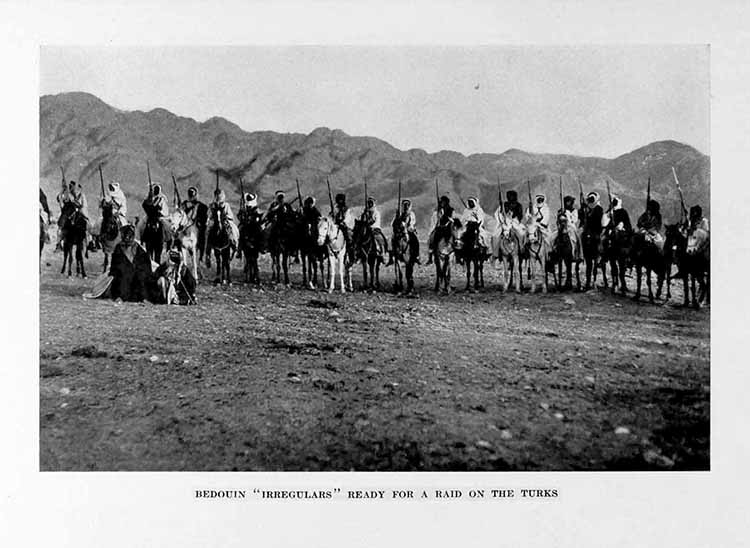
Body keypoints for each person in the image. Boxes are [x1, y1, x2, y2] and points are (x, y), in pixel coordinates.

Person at [108, 224, 153, 302]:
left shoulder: (138, 248)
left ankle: (144, 298)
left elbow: (145, 263)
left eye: (130, 236)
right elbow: (115, 264)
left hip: (136, 271)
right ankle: (120, 297)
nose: (127, 238)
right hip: (123, 272)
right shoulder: (119, 247)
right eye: (126, 235)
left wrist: (138, 269)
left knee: (141, 278)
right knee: (122, 277)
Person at [207, 188, 239, 254]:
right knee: (207, 230)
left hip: (224, 220)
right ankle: (207, 247)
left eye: (219, 196)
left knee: (232, 228)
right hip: (214, 220)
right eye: (217, 196)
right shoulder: (211, 205)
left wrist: (226, 218)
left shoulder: (226, 205)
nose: (218, 197)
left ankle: (234, 242)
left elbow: (230, 215)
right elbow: (208, 214)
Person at [181, 186, 209, 261]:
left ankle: (202, 254)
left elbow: (204, 216)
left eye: (193, 194)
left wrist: (199, 221)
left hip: (197, 223)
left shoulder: (202, 206)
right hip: (186, 224)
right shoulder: (185, 204)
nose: (191, 196)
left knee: (203, 234)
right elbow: (181, 213)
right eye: (190, 194)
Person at [391, 198, 420, 264]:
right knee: (393, 238)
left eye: (407, 205)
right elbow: (393, 223)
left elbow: (413, 222)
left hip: (408, 230)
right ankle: (392, 255)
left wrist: (409, 227)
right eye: (404, 205)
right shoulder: (399, 213)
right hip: (399, 231)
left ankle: (416, 255)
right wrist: (397, 217)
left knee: (415, 240)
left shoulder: (411, 213)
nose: (406, 206)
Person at [428, 195, 456, 262]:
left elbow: (453, 219)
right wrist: (439, 213)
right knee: (433, 237)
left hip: (448, 228)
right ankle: (431, 254)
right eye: (441, 202)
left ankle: (457, 254)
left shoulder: (451, 210)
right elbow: (437, 219)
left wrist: (447, 217)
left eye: (443, 202)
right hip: (440, 228)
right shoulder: (438, 210)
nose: (442, 203)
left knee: (455, 238)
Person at [332, 193, 355, 261]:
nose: (340, 201)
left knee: (348, 236)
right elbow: (332, 216)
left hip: (343, 225)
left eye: (341, 200)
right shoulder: (335, 208)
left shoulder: (346, 209)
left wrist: (343, 222)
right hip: (336, 225)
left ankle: (350, 250)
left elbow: (347, 217)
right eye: (339, 200)